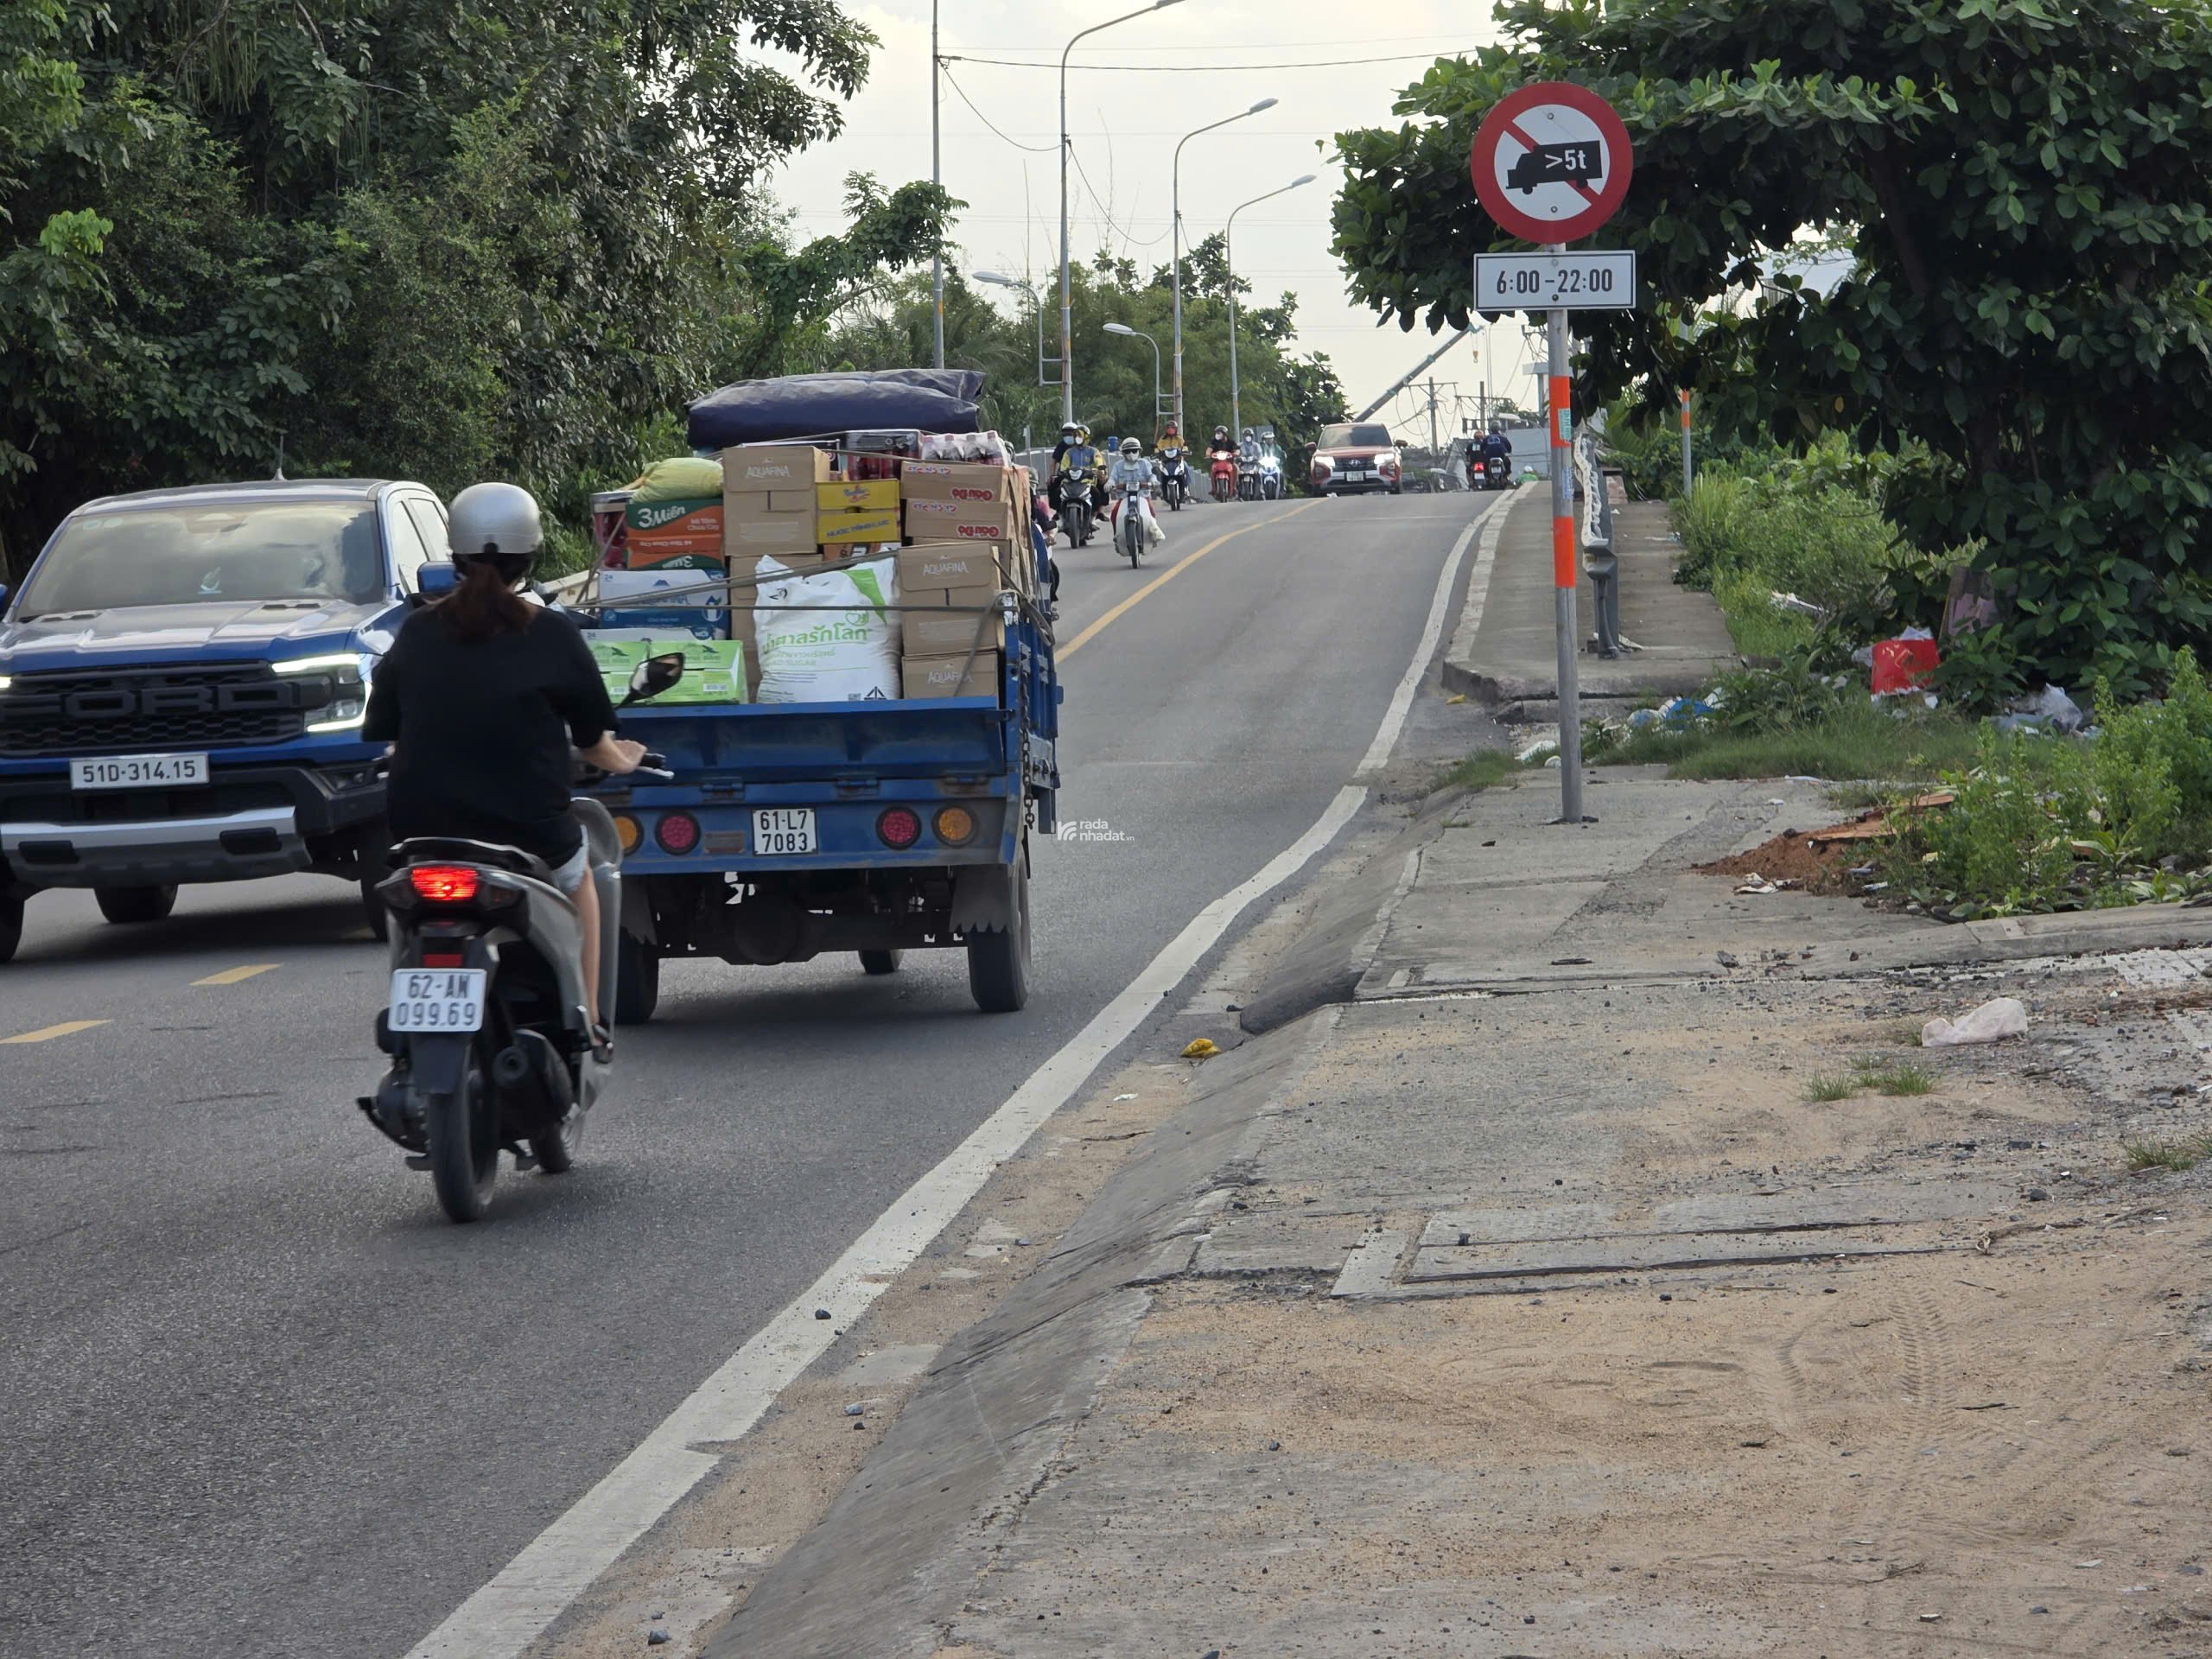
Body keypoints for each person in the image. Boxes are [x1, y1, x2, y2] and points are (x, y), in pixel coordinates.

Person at [363, 482, 645, 1047]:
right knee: (583, 880)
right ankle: (585, 1021)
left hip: (423, 833)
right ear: (531, 555)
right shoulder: (551, 632)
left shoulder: (417, 631)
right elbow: (594, 743)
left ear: (456, 554)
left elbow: (383, 730)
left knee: (406, 903)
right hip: (530, 835)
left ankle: (408, 1013)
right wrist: (625, 760)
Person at [1107, 435, 1161, 546]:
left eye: (1134, 450)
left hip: (1142, 496)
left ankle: (1153, 536)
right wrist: (1110, 484)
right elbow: (1113, 478)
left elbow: (1151, 475)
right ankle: (1117, 537)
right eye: (1128, 451)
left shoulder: (1145, 463)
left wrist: (1154, 482)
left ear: (1139, 451)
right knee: (1114, 514)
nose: (1131, 454)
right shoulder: (1118, 466)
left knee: (1151, 512)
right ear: (1123, 453)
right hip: (1124, 498)